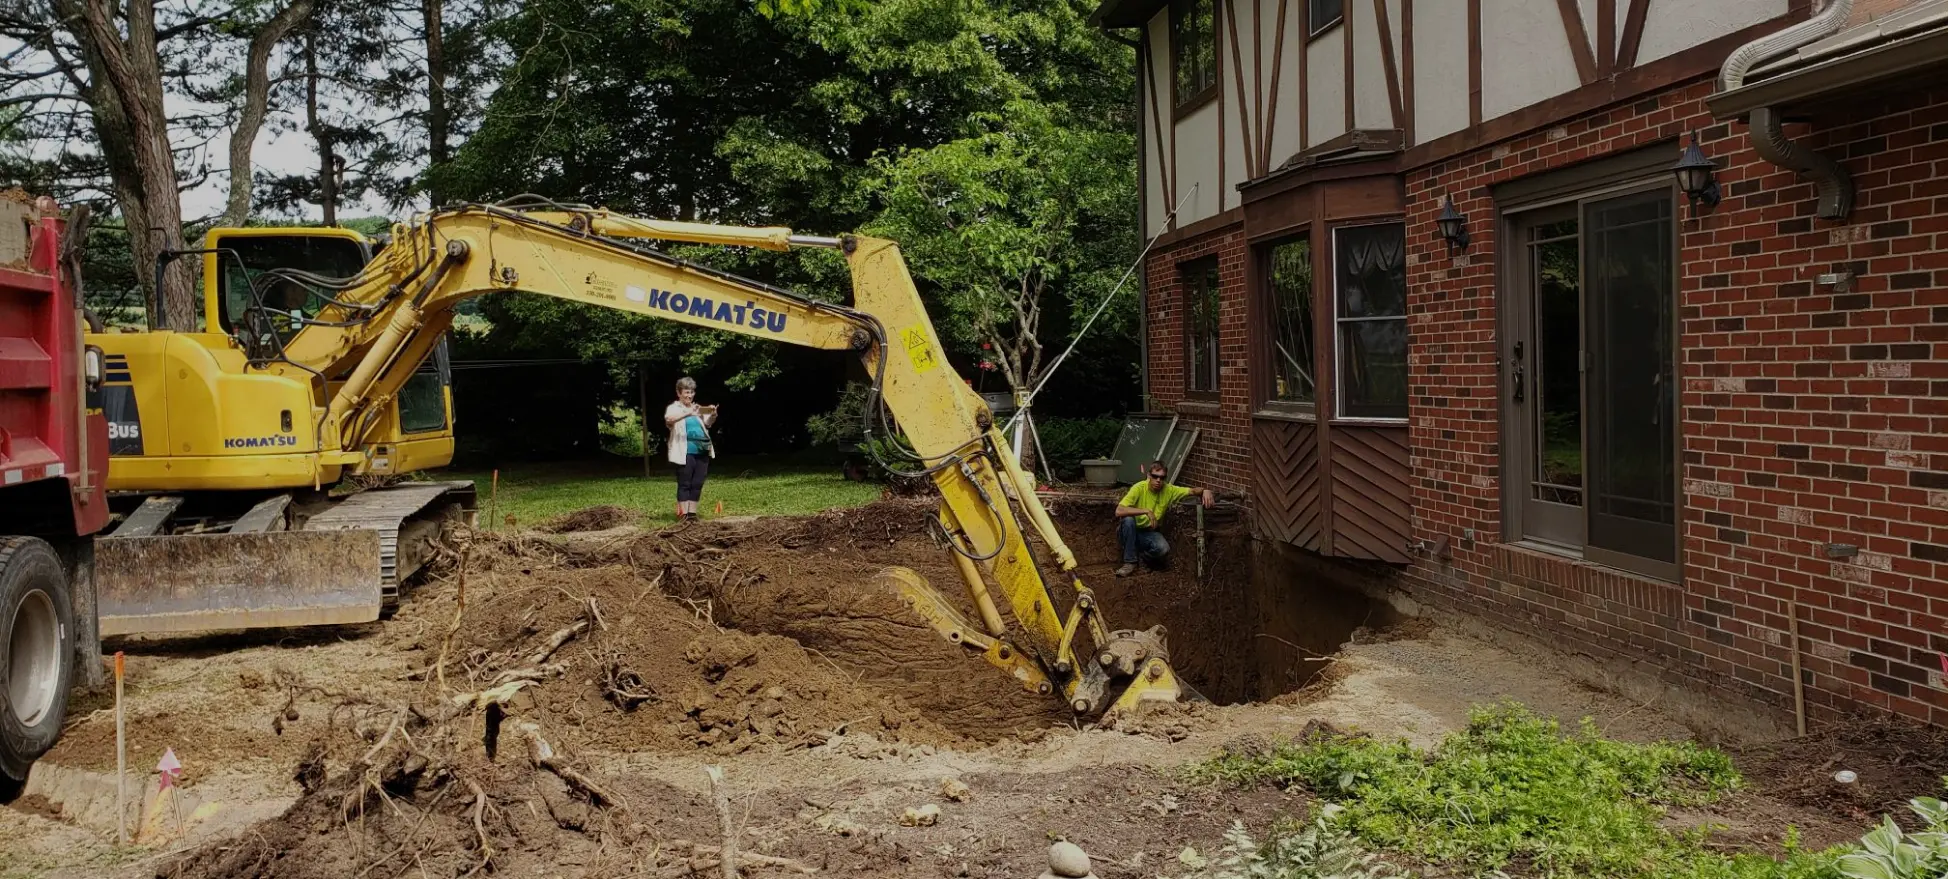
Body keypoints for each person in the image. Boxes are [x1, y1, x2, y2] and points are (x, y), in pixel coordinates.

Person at [1113, 460, 1213, 577]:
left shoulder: (1169, 490)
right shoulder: (1139, 488)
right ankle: (1129, 563)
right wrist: (1146, 511)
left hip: (1147, 533)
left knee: (1163, 549)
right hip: (1129, 531)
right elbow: (1119, 510)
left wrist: (1205, 490)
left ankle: (1141, 558)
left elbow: (1191, 491)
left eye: (1162, 477)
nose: (1158, 480)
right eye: (1155, 476)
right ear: (1149, 476)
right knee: (1128, 520)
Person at [664, 377, 718, 522]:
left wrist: (712, 415)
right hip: (685, 452)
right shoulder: (674, 408)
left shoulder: (697, 408)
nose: (689, 395)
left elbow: (708, 424)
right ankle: (683, 514)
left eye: (691, 392)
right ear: (679, 393)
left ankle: (692, 514)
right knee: (685, 483)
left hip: (702, 450)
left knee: (697, 482)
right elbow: (669, 420)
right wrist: (688, 413)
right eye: (686, 392)